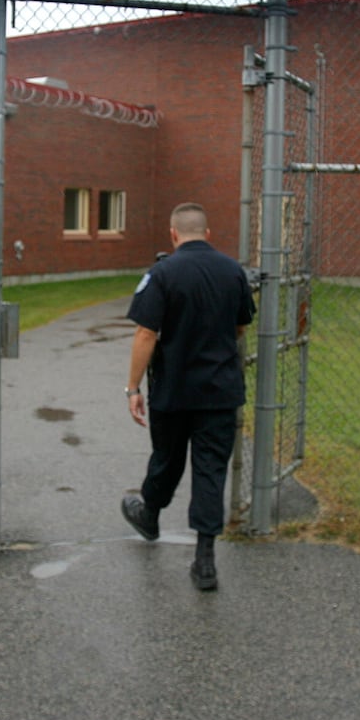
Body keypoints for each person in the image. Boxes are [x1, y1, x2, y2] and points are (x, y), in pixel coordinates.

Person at [121, 202, 256, 591]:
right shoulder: (233, 271)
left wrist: (133, 388)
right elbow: (241, 325)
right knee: (210, 469)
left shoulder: (162, 272)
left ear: (173, 235)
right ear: (208, 234)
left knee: (167, 459)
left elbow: (146, 334)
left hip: (173, 391)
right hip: (219, 391)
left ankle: (149, 514)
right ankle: (205, 561)